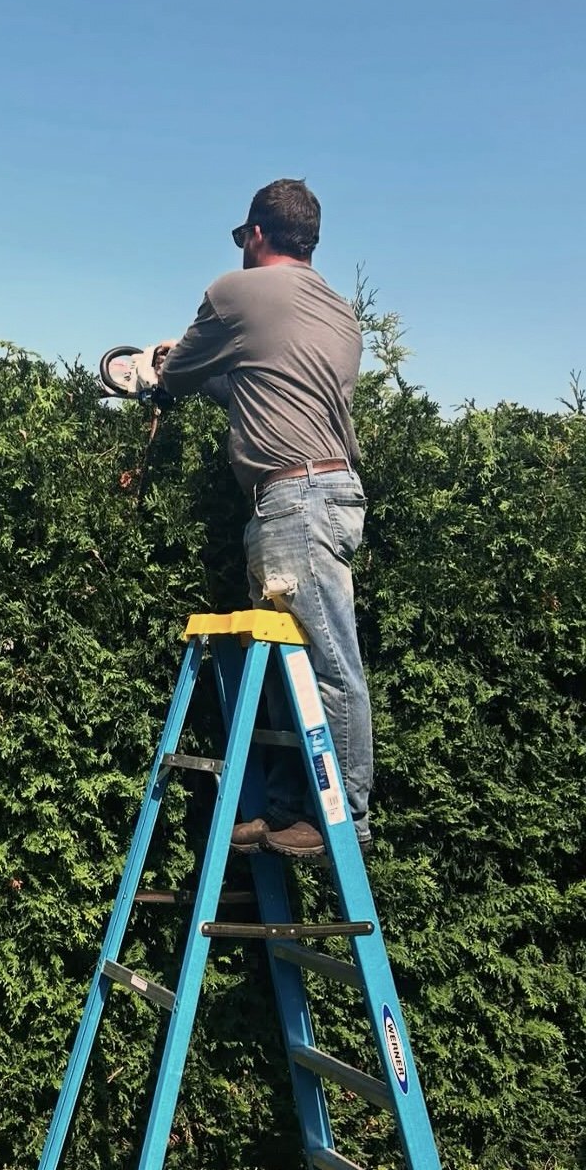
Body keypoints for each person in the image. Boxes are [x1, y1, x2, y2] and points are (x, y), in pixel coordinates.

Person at [156, 178, 372, 857]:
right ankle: (286, 809)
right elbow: (260, 389)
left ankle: (345, 816)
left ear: (255, 233)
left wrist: (164, 364)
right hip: (318, 492)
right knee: (287, 663)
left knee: (328, 662)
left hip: (295, 499)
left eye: (240, 238)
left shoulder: (236, 292)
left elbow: (181, 374)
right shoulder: (339, 311)